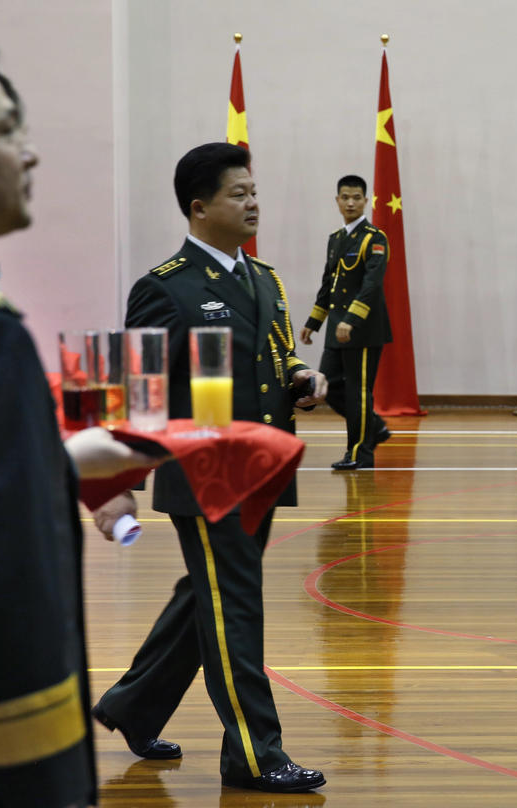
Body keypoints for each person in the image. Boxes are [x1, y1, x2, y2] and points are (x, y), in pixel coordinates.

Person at [91, 143, 329, 794]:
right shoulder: (165, 287)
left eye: (255, 192)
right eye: (238, 194)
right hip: (203, 475)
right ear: (199, 208)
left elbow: (272, 363)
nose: (253, 203)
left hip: (263, 467)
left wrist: (301, 378)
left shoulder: (264, 280)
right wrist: (119, 485)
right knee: (237, 606)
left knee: (208, 597)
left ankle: (132, 706)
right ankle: (255, 754)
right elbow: (136, 392)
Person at [0, 37, 160, 808]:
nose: (31, 153)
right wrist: (47, 769)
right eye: (8, 129)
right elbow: (6, 570)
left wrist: (59, 459)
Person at [299, 174, 392, 470]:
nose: (350, 203)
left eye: (356, 198)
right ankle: (374, 427)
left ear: (366, 201)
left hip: (362, 330)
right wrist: (313, 322)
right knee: (326, 386)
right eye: (345, 197)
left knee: (357, 391)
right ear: (337, 201)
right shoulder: (336, 239)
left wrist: (351, 320)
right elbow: (329, 285)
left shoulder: (374, 238)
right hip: (335, 328)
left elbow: (371, 284)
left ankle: (360, 454)